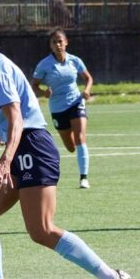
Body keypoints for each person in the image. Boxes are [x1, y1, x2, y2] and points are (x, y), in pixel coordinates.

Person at [0, 5, 130, 279]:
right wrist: (7, 143)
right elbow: (12, 121)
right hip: (21, 147)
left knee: (42, 229)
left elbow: (18, 118)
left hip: (32, 146)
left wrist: (7, 156)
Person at [32, 29, 93, 189]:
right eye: (54, 42)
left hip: (76, 102)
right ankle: (77, 153)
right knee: (71, 147)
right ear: (50, 46)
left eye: (60, 41)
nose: (58, 44)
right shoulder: (44, 64)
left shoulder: (75, 61)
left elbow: (88, 78)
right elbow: (34, 86)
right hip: (58, 108)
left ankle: (84, 178)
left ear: (66, 42)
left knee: (80, 138)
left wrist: (86, 90)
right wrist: (43, 92)